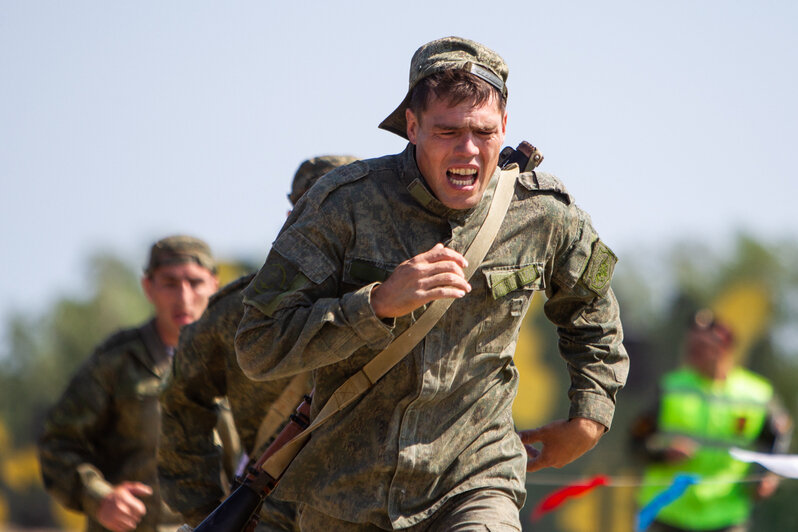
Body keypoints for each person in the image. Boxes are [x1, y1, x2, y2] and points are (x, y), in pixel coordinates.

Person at [235, 36, 628, 531]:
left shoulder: (546, 213)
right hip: (343, 495)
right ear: (412, 126)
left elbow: (595, 314)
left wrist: (589, 417)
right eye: (446, 131)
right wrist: (375, 305)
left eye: (483, 132)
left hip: (473, 480)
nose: (468, 150)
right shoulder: (341, 204)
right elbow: (258, 343)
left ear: (504, 125)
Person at [158, 155, 358, 531]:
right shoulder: (237, 312)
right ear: (292, 222)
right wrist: (208, 514)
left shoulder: (401, 300)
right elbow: (181, 404)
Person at [38, 236, 219, 532]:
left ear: (215, 284)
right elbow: (57, 444)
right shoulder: (115, 362)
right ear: (148, 287)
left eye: (195, 283)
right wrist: (99, 497)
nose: (184, 297)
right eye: (170, 283)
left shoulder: (240, 359)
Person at [633, 309, 792, 532]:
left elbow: (778, 437)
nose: (692, 352)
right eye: (691, 346)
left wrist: (767, 477)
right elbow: (636, 442)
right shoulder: (671, 387)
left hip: (726, 517)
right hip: (667, 512)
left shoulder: (757, 395)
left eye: (701, 347)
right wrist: (664, 453)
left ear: (724, 348)